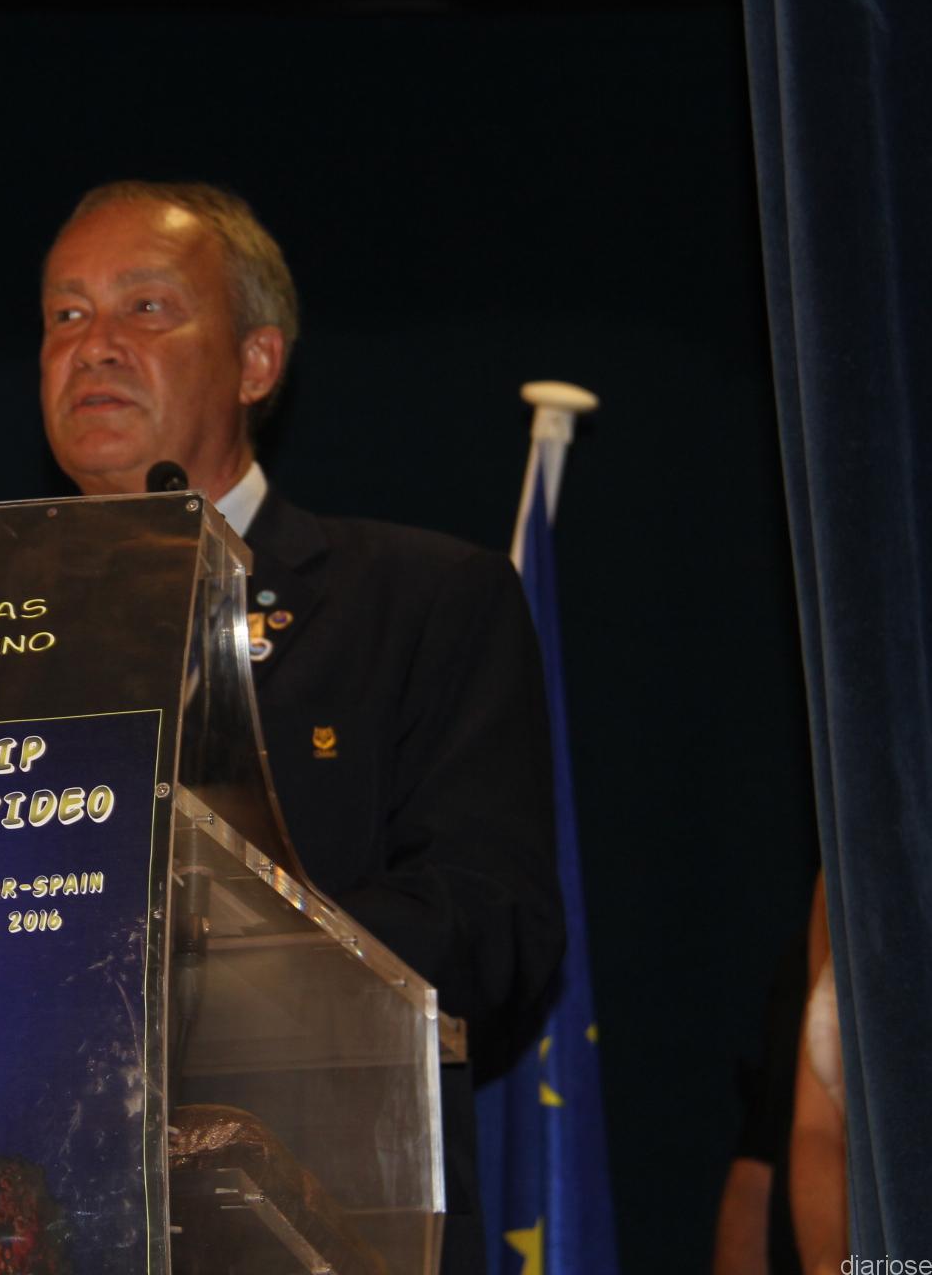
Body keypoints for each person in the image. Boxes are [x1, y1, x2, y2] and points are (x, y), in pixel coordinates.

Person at [39, 180, 565, 1274]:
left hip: (322, 1212)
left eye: (146, 308)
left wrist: (193, 960)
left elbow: (491, 921)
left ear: (257, 362)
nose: (94, 346)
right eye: (66, 314)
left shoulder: (419, 600)